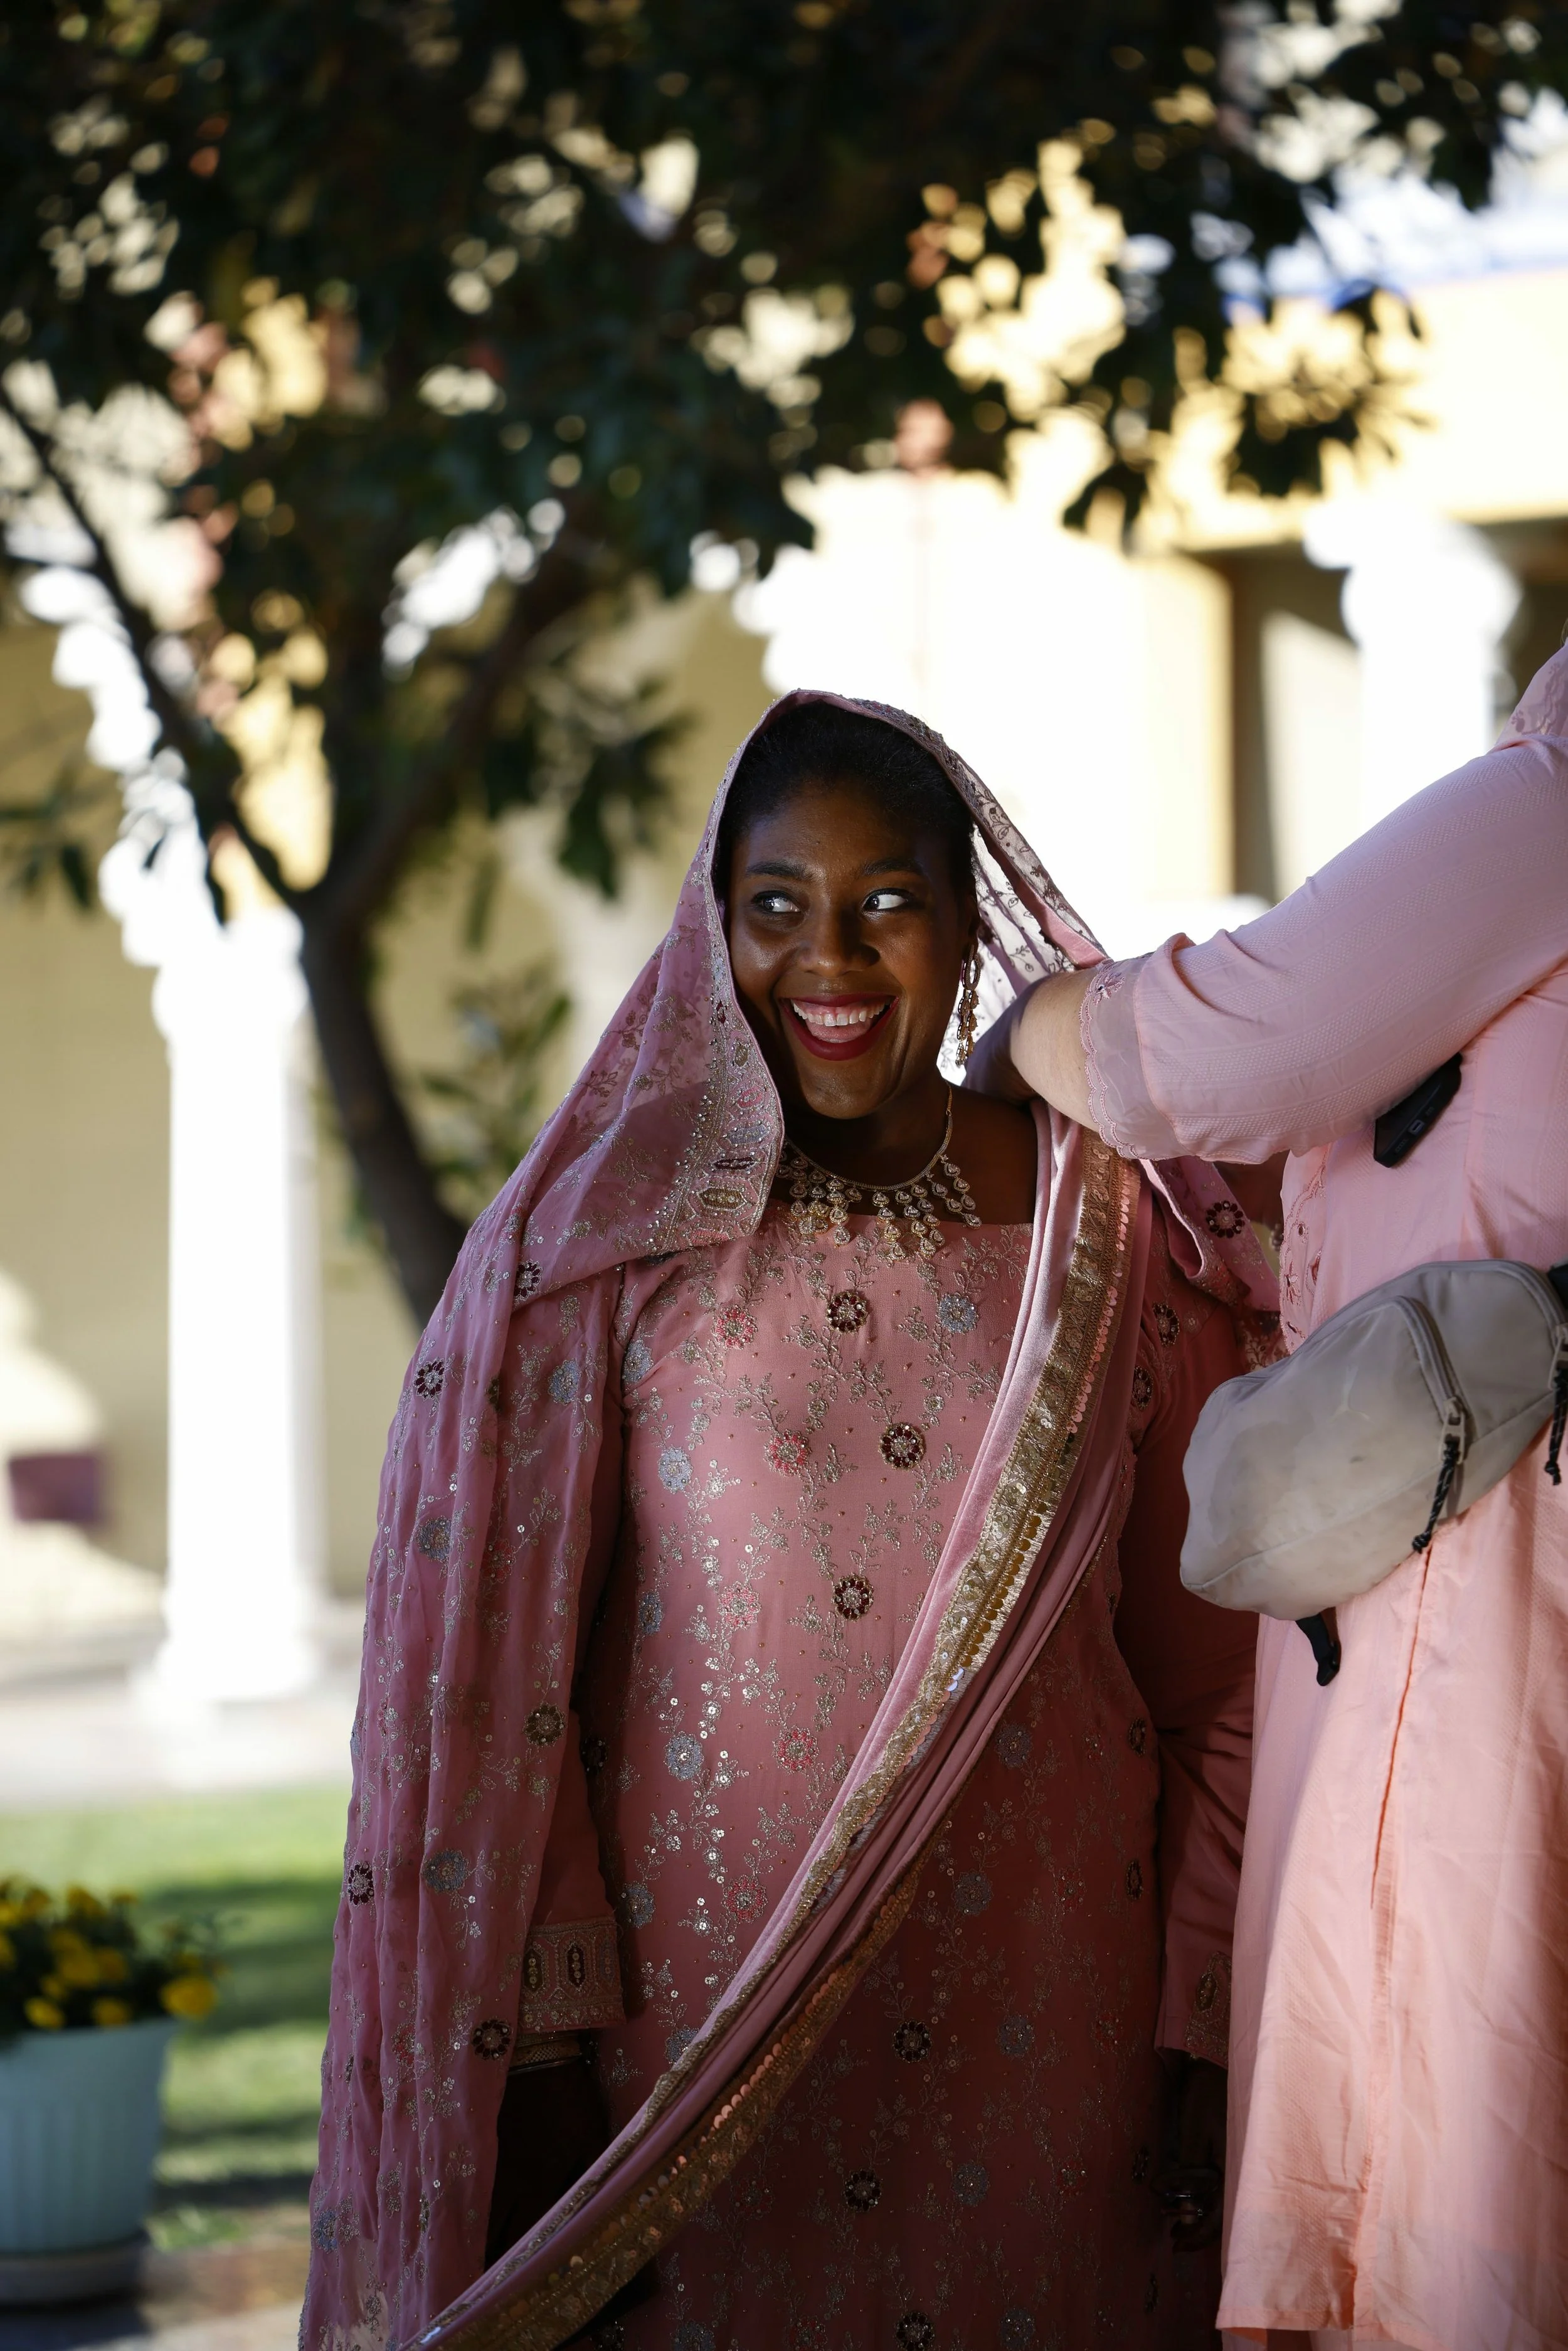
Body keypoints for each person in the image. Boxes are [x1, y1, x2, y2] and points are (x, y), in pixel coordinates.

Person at [301, 694, 1269, 2351]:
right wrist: (537, 2071)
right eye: (774, 906)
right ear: (712, 927)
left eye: (886, 900)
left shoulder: (1105, 1230)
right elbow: (502, 1704)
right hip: (694, 2046)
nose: (828, 958)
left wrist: (1197, 2019)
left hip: (1055, 2018)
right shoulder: (605, 1249)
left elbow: (1217, 1671)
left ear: (970, 929)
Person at [974, 646, 1568, 2351]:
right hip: (1459, 1577)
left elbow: (1215, 1051)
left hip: (1473, 1608)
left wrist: (1019, 1034)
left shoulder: (1538, 815)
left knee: (1446, 2151)